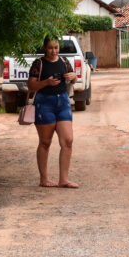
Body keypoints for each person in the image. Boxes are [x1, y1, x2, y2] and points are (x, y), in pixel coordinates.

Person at [28, 37, 79, 189]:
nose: (54, 51)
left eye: (56, 47)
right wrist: (46, 82)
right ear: (44, 48)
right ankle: (44, 179)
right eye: (50, 48)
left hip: (62, 102)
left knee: (68, 140)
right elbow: (31, 85)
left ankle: (64, 179)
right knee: (45, 142)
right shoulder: (39, 63)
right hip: (44, 103)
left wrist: (74, 77)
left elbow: (73, 80)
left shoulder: (64, 61)